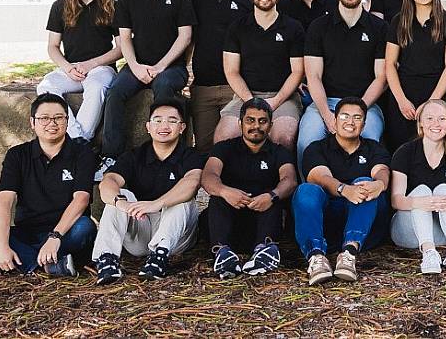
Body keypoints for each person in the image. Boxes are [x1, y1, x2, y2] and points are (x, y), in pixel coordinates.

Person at [100, 0, 197, 178]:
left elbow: (185, 37)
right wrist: (134, 67)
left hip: (171, 67)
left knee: (163, 87)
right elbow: (124, 38)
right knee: (114, 92)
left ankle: (170, 154)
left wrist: (160, 66)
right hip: (136, 64)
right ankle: (112, 156)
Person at [0, 94, 97, 278]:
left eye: (58, 117)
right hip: (26, 232)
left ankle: (11, 263)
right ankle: (49, 265)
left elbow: (82, 199)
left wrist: (54, 237)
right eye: (44, 118)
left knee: (85, 227)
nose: (52, 123)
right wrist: (1, 246)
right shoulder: (17, 155)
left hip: (65, 231)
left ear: (67, 120)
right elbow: (5, 200)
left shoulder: (82, 153)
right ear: (33, 122)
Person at [93, 98, 205, 284]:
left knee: (184, 199)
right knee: (119, 197)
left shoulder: (190, 156)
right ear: (148, 127)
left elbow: (192, 182)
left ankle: (159, 257)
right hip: (141, 229)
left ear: (182, 127)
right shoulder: (135, 156)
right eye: (158, 120)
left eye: (172, 120)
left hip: (176, 237)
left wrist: (156, 204)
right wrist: (122, 203)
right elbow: (108, 182)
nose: (164, 125)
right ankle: (107, 259)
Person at [297, 0, 388, 173]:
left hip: (366, 104)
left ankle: (362, 194)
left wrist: (357, 112)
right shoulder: (318, 27)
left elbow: (381, 78)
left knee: (368, 138)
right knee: (307, 140)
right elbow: (313, 76)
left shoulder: (379, 28)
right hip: (324, 103)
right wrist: (329, 117)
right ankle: (309, 194)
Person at [293, 97, 391, 285]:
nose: (350, 122)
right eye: (345, 116)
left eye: (357, 117)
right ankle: (316, 256)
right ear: (334, 121)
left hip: (365, 227)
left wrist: (380, 183)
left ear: (363, 124)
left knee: (365, 183)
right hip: (327, 222)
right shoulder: (317, 148)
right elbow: (319, 176)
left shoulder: (374, 148)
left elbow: (381, 170)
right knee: (306, 190)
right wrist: (343, 189)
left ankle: (349, 253)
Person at [203, 98, 297, 278]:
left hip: (262, 220)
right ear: (240, 124)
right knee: (217, 198)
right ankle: (222, 254)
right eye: (250, 120)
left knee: (274, 198)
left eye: (262, 121)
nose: (256, 126)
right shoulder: (225, 148)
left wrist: (272, 196)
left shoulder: (279, 152)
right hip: (231, 218)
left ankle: (265, 252)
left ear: (270, 125)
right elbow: (208, 176)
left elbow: (289, 179)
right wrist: (225, 191)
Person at [214, 0, 305, 149]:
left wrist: (275, 101)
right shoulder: (238, 27)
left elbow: (297, 72)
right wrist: (250, 101)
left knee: (283, 137)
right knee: (224, 137)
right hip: (245, 96)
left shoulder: (293, 28)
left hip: (284, 98)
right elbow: (231, 71)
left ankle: (284, 177)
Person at [36, 0, 120, 144]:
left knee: (97, 86)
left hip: (101, 69)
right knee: (46, 86)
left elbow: (121, 48)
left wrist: (91, 64)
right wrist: (68, 68)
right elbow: (53, 46)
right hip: (71, 69)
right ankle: (76, 138)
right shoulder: (60, 6)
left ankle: (74, 143)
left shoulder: (112, 6)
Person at [389, 99, 446, 274]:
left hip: (442, 232)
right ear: (420, 123)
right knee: (421, 190)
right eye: (429, 118)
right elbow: (396, 200)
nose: (435, 124)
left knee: (444, 190)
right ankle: (428, 254)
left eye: (442, 119)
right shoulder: (405, 152)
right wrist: (421, 203)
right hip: (408, 230)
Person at [383, 0, 446, 151]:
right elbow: (390, 64)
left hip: (437, 93)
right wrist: (401, 101)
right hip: (403, 95)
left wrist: (431, 104)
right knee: (401, 149)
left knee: (435, 149)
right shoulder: (399, 21)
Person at [187, 0, 253, 152]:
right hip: (203, 86)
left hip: (237, 88)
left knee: (235, 147)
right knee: (204, 147)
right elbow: (188, 38)